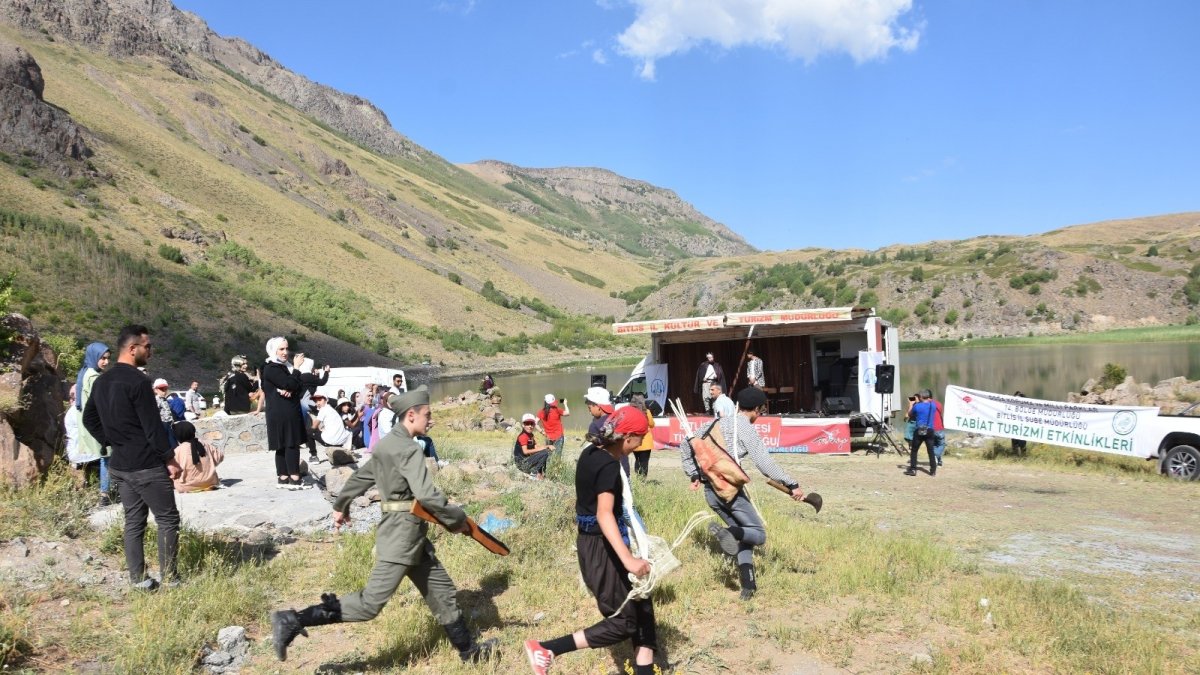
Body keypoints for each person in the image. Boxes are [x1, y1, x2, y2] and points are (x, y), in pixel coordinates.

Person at [270, 386, 497, 664]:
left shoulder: (388, 444)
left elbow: (360, 477)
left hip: (410, 536)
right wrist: (457, 520)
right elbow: (427, 496)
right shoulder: (409, 450)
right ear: (411, 415)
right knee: (369, 604)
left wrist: (341, 505)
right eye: (427, 415)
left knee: (442, 592)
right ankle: (293, 619)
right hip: (401, 537)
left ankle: (469, 652)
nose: (431, 419)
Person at [523, 405, 657, 675]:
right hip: (601, 548)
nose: (641, 443)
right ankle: (548, 648)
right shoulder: (609, 465)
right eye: (640, 438)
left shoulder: (591, 452)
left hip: (598, 542)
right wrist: (629, 560)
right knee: (623, 622)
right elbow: (604, 514)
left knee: (643, 612)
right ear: (627, 437)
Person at [679, 387, 808, 601]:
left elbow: (686, 444)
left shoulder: (713, 423)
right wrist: (792, 484)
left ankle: (748, 586)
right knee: (759, 534)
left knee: (745, 535)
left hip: (711, 493)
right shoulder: (744, 427)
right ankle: (726, 532)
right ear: (757, 409)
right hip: (729, 493)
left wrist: (693, 473)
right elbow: (764, 463)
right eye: (761, 411)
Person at [82, 325, 182, 592]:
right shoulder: (138, 381)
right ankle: (171, 579)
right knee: (168, 520)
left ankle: (139, 580)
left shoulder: (102, 381)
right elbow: (152, 427)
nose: (151, 351)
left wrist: (112, 440)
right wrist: (169, 458)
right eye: (147, 346)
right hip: (146, 465)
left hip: (120, 465)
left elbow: (89, 418)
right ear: (132, 348)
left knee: (134, 522)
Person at [261, 337, 311, 490]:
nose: (285, 352)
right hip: (283, 411)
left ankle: (283, 477)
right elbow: (290, 383)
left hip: (280, 410)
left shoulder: (281, 367)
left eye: (286, 348)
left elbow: (298, 385)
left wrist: (290, 388)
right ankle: (295, 478)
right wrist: (296, 368)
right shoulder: (272, 367)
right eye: (281, 349)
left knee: (282, 444)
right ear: (273, 350)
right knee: (290, 442)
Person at [73, 342, 111, 506]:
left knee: (104, 457)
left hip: (89, 423)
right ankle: (105, 494)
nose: (106, 362)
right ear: (94, 357)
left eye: (108, 358)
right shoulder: (94, 377)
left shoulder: (85, 372)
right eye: (103, 358)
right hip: (98, 423)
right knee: (107, 456)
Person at [171, 420, 224, 493]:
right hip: (211, 482)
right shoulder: (205, 444)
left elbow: (173, 470)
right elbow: (220, 457)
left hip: (187, 486)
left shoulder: (177, 450)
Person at [906, 390, 939, 477]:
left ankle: (913, 469)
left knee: (914, 450)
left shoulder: (917, 406)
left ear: (920, 397)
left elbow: (910, 414)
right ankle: (933, 471)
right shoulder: (933, 405)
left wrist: (911, 404)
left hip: (919, 430)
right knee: (930, 451)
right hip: (930, 430)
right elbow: (930, 402)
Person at [514, 413, 551, 479]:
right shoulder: (523, 436)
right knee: (545, 452)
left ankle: (540, 473)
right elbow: (525, 451)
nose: (530, 426)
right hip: (522, 464)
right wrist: (543, 448)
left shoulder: (531, 435)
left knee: (545, 452)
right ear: (523, 425)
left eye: (532, 424)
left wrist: (546, 446)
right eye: (527, 424)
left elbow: (536, 447)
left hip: (527, 460)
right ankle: (533, 474)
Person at [629, 394, 656, 478]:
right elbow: (652, 424)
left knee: (637, 460)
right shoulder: (646, 412)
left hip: (634, 441)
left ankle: (638, 478)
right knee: (644, 462)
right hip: (646, 442)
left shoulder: (630, 412)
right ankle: (643, 480)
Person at [536, 393, 569, 458]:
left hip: (548, 437)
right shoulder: (557, 410)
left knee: (548, 455)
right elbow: (567, 413)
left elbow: (535, 423)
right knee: (557, 456)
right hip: (558, 436)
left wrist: (541, 432)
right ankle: (555, 464)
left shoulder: (541, 412)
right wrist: (565, 404)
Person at [152, 378, 180, 448]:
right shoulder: (156, 400)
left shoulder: (164, 399)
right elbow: (154, 414)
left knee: (174, 444)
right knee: (170, 444)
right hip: (163, 424)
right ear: (155, 390)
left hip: (169, 424)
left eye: (165, 389)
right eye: (161, 389)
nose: (164, 391)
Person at [923, 388, 946, 467]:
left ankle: (939, 461)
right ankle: (935, 456)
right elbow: (940, 413)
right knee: (941, 444)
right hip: (939, 427)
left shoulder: (923, 405)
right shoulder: (938, 404)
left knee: (934, 445)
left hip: (929, 429)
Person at [1010, 391, 1028, 456]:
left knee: (1022, 445)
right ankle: (1015, 457)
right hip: (1014, 428)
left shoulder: (1027, 408)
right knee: (1015, 445)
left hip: (1023, 429)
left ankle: (1023, 457)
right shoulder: (1011, 406)